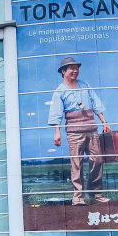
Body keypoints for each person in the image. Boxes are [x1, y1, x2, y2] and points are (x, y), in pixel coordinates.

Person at [48, 56, 111, 206]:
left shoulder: (85, 85)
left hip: (91, 128)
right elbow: (56, 113)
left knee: (98, 160)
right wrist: (57, 133)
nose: (75, 71)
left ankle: (96, 193)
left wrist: (104, 122)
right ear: (63, 71)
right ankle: (78, 197)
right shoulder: (59, 91)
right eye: (71, 68)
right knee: (77, 163)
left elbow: (96, 104)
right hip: (74, 132)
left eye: (77, 68)